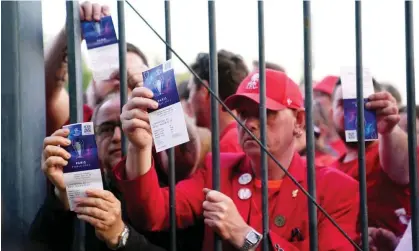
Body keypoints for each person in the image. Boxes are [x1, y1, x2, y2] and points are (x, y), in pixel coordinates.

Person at [114, 69, 360, 250]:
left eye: (265, 113)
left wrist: (246, 236)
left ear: (300, 122)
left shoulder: (337, 189)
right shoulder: (219, 168)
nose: (249, 123)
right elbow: (152, 215)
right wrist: (140, 147)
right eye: (243, 113)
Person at [29, 93, 203, 251]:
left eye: (127, 126)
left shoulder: (169, 191)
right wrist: (61, 198)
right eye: (106, 129)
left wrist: (121, 235)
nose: (117, 137)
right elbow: (38, 245)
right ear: (93, 139)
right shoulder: (86, 188)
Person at [45, 1, 149, 134]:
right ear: (93, 83)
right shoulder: (79, 118)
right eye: (111, 73)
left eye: (132, 74)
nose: (120, 80)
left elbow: (182, 139)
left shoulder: (159, 126)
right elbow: (46, 92)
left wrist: (157, 100)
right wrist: (69, 34)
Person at [331, 77, 413, 238]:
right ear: (331, 112)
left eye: (360, 103)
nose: (351, 111)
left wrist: (389, 129)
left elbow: (404, 168)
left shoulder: (388, 150)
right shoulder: (328, 169)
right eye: (343, 104)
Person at [187, 50, 249, 153]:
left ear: (204, 90)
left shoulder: (228, 147)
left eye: (190, 91)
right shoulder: (240, 138)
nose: (189, 100)